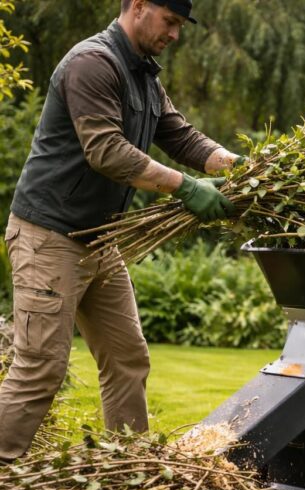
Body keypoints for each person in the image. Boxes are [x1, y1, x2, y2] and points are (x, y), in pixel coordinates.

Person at [0, 0, 241, 462]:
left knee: (127, 358)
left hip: (98, 241)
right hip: (49, 237)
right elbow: (106, 151)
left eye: (180, 25)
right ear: (139, 6)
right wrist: (187, 187)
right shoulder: (93, 63)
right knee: (39, 370)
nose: (175, 34)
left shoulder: (143, 75)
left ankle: (130, 469)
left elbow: (181, 137)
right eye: (170, 21)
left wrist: (241, 169)